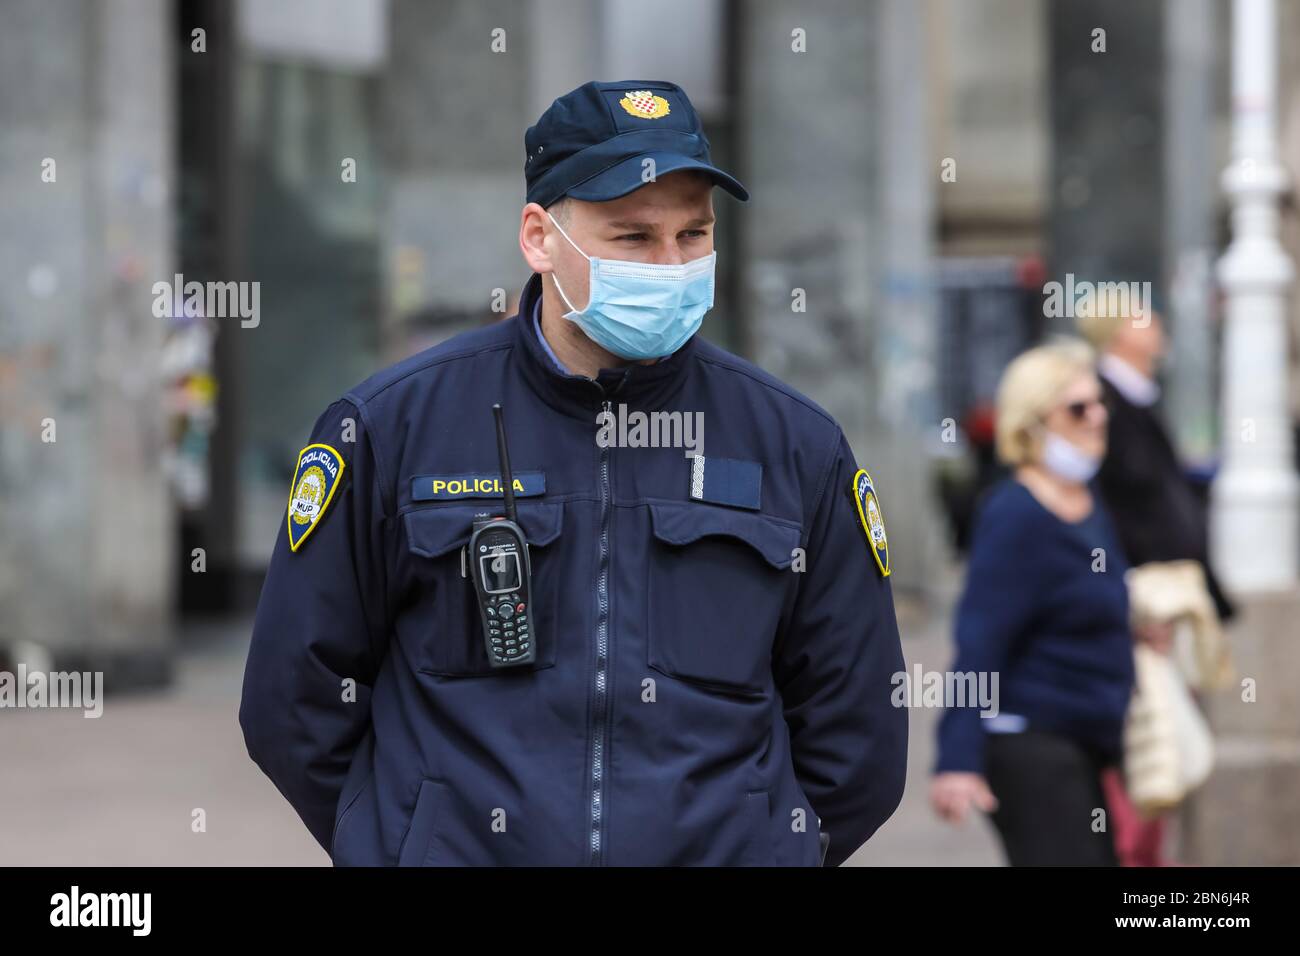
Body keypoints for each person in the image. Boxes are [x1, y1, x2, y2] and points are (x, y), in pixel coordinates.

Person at [239, 80, 907, 867]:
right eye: (633, 238)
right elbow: (294, 698)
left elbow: (857, 727)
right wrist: (405, 844)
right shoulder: (392, 428)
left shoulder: (796, 445)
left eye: (694, 235)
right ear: (539, 237)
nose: (672, 265)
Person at [930, 339, 1137, 866]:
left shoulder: (1087, 500)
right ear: (1032, 421)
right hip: (1031, 746)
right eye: (1077, 407)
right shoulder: (1015, 514)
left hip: (1088, 741)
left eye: (1099, 404)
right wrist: (957, 758)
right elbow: (979, 639)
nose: (1096, 417)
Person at [1078, 305, 1234, 622]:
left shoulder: (1138, 398)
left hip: (1168, 583)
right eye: (1142, 318)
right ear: (1119, 330)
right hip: (1144, 590)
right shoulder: (1104, 401)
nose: (1156, 324)